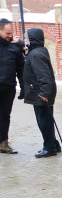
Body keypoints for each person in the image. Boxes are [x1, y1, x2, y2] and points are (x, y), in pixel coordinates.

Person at [23, 28, 58, 158]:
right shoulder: (37, 51)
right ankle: (54, 144)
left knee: (44, 121)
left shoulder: (36, 54)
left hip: (40, 93)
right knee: (46, 119)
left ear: (33, 39)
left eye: (27, 38)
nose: (25, 40)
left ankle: (49, 148)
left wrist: (44, 93)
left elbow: (44, 76)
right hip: (40, 92)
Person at [0, 18, 24, 154]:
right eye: (7, 33)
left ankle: (3, 143)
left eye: (11, 33)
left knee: (5, 116)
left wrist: (23, 87)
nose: (10, 36)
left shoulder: (15, 46)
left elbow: (21, 68)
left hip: (8, 87)